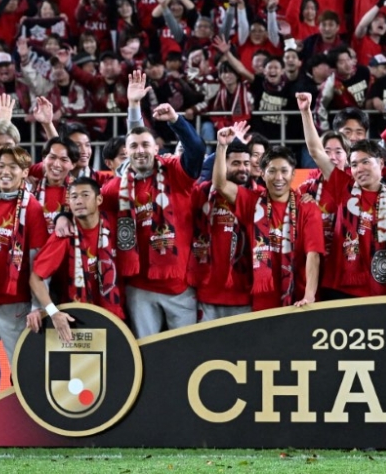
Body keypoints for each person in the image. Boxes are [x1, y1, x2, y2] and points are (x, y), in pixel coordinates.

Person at [100, 77, 206, 338]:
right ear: (126, 152)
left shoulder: (175, 173)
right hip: (140, 289)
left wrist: (176, 120)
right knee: (145, 357)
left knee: (185, 357)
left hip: (179, 287)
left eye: (146, 145)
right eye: (133, 147)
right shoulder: (115, 188)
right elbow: (86, 204)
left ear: (156, 148)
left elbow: (196, 150)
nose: (140, 151)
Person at [298, 93, 386, 298]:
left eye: (366, 162)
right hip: (339, 287)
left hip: (381, 288)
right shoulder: (343, 185)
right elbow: (315, 151)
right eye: (354, 164)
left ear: (381, 164)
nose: (360, 168)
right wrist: (305, 111)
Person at [212, 130, 324, 309]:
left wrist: (309, 296)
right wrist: (222, 146)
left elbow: (313, 254)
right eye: (272, 171)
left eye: (284, 171)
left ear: (293, 174)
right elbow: (220, 184)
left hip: (300, 299)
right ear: (262, 175)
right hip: (262, 300)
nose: (278, 178)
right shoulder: (252, 201)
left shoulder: (308, 208)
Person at [0, 146, 48, 400]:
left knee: (21, 370)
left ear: (25, 172)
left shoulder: (33, 208)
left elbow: (38, 262)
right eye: (1, 165)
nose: (5, 171)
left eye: (13, 167)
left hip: (14, 305)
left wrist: (37, 305)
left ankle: (23, 426)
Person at [27, 177, 123, 343]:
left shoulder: (118, 224)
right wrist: (53, 312)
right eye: (74, 197)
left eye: (85, 195)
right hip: (78, 316)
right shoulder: (65, 234)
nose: (79, 201)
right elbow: (36, 278)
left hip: (118, 311)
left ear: (99, 199)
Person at [189, 136, 254, 321]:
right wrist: (222, 146)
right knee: (207, 350)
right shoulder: (201, 193)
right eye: (235, 163)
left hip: (243, 293)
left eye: (246, 163)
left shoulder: (256, 196)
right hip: (207, 291)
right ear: (222, 165)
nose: (243, 168)